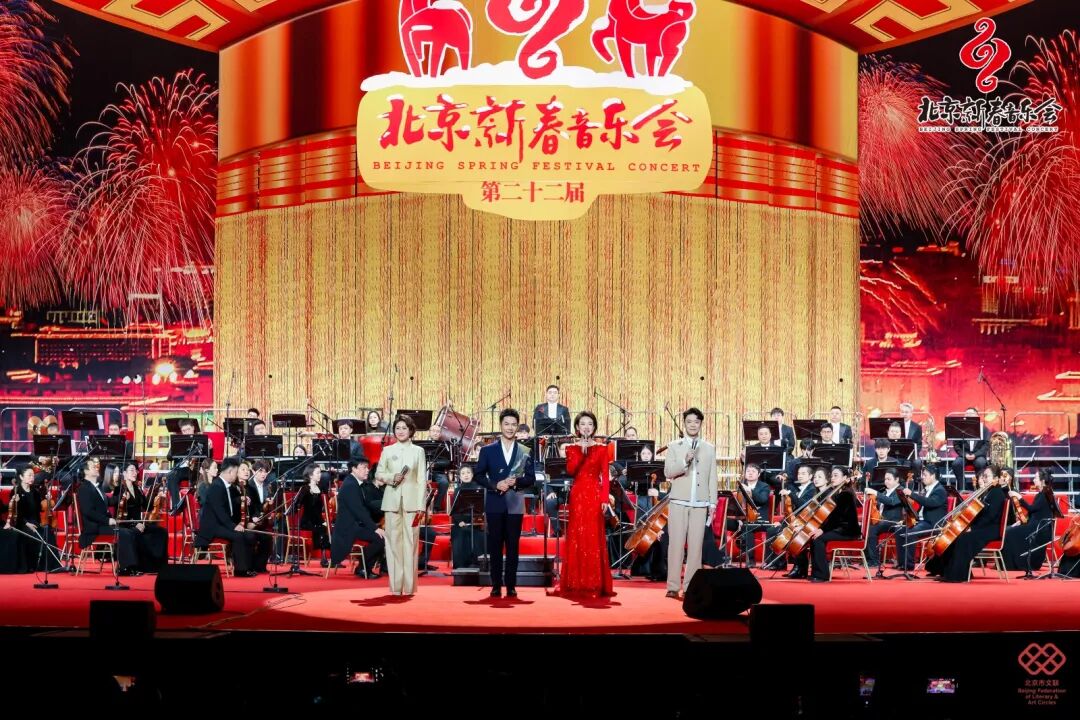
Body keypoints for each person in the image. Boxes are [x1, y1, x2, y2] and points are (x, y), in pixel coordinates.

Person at [474, 408, 536, 598]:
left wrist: (516, 482)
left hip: (515, 504)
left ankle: (511, 585)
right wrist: (495, 485)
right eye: (506, 424)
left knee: (513, 546)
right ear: (500, 425)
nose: (510, 428)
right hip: (494, 503)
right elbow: (478, 475)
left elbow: (531, 478)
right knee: (495, 546)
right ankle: (495, 585)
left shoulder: (524, 451)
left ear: (517, 427)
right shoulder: (487, 450)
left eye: (513, 424)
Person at [557, 410, 615, 598]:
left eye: (590, 424)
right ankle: (575, 582)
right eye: (583, 424)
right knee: (577, 535)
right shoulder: (570, 448)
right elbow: (571, 471)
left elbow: (605, 476)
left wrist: (605, 499)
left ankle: (595, 582)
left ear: (594, 427)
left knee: (593, 536)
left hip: (595, 494)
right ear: (577, 427)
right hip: (578, 494)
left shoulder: (602, 448)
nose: (586, 427)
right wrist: (581, 453)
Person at [662, 408, 717, 599]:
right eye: (689, 422)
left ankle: (690, 587)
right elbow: (668, 472)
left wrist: (712, 502)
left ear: (701, 424)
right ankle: (673, 586)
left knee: (695, 548)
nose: (693, 425)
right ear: (684, 424)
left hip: (700, 503)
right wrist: (684, 461)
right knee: (675, 545)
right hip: (678, 501)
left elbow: (712, 477)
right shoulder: (674, 446)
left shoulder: (709, 448)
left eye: (696, 422)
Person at [375, 415, 427, 596]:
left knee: (411, 543)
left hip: (413, 504)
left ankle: (409, 587)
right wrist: (391, 477)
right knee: (393, 545)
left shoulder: (418, 451)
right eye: (398, 428)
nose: (401, 431)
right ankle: (396, 588)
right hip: (392, 502)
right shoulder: (387, 450)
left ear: (411, 430)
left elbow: (421, 480)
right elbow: (379, 473)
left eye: (404, 428)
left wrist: (421, 505)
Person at [925, 467, 1006, 582]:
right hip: (983, 527)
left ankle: (957, 575)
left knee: (963, 539)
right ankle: (945, 571)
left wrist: (972, 528)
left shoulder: (997, 493)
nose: (983, 479)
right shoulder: (987, 492)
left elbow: (990, 516)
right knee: (956, 536)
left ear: (996, 478)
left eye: (986, 476)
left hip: (990, 529)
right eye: (983, 476)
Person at [77, 458, 141, 575]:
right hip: (94, 528)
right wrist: (107, 520)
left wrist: (122, 497)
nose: (97, 467)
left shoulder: (96, 487)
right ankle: (125, 568)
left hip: (102, 525)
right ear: (86, 471)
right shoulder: (84, 488)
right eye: (93, 466)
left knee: (130, 532)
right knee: (124, 533)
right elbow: (88, 512)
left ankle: (132, 567)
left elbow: (109, 501)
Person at [194, 457, 258, 576]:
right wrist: (233, 526)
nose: (236, 475)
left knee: (249, 535)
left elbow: (229, 504)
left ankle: (250, 567)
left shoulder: (227, 486)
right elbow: (220, 511)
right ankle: (240, 571)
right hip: (213, 526)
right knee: (238, 535)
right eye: (236, 472)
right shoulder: (216, 486)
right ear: (230, 472)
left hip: (222, 524)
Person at [108, 462, 168, 573]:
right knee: (135, 533)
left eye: (136, 470)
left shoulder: (137, 488)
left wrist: (155, 494)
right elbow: (120, 514)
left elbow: (147, 506)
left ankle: (157, 566)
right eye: (131, 470)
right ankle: (139, 566)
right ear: (124, 473)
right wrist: (135, 524)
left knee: (161, 532)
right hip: (126, 525)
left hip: (138, 523)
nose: (135, 473)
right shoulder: (119, 489)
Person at [330, 459, 386, 576]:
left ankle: (364, 567)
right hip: (347, 528)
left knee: (382, 537)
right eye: (364, 467)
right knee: (380, 539)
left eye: (367, 467)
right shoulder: (350, 485)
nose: (367, 470)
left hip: (354, 525)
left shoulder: (353, 482)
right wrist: (375, 528)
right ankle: (363, 567)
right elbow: (359, 511)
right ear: (354, 469)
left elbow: (362, 509)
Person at [804, 466, 859, 582]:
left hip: (847, 531)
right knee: (814, 536)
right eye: (832, 475)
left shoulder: (846, 494)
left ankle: (822, 575)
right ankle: (816, 572)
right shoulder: (836, 492)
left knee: (818, 538)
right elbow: (831, 518)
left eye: (836, 476)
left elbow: (836, 518)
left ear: (844, 478)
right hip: (838, 528)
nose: (832, 478)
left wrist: (822, 530)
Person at [1003, 468, 1061, 571]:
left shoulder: (1045, 494)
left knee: (1010, 533)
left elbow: (1031, 508)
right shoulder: (1041, 494)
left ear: (1042, 481)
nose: (1033, 480)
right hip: (1034, 525)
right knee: (1007, 530)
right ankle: (1008, 563)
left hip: (1040, 528)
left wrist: (1019, 497)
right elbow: (1033, 512)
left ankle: (1015, 564)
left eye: (1036, 478)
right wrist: (1020, 522)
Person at [893, 465, 949, 572]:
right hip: (923, 521)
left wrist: (912, 494)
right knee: (899, 529)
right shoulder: (927, 489)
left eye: (925, 475)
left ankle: (908, 565)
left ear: (933, 476)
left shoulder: (940, 490)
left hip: (933, 524)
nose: (922, 477)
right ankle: (902, 563)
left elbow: (930, 503)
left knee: (911, 532)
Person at [864, 468, 905, 567]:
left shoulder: (901, 490)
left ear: (897, 480)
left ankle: (874, 561)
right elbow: (879, 503)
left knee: (872, 529)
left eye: (889, 479)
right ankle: (867, 558)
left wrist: (876, 493)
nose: (886, 481)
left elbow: (891, 501)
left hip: (894, 521)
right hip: (883, 520)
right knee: (865, 527)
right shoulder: (885, 491)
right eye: (885, 479)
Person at [451, 465, 483, 569]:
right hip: (461, 521)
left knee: (480, 533)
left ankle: (479, 563)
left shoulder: (479, 488)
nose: (466, 475)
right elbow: (454, 510)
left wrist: (478, 520)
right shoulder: (457, 490)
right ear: (460, 476)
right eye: (463, 473)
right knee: (460, 532)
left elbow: (483, 507)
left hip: (476, 520)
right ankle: (461, 565)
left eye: (468, 473)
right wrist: (459, 521)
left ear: (472, 475)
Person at [300, 463, 332, 567]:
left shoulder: (321, 488)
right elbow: (299, 506)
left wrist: (323, 521)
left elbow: (322, 507)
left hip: (318, 519)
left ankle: (334, 557)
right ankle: (324, 558)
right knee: (321, 529)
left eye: (320, 472)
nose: (320, 475)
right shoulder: (305, 489)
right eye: (317, 473)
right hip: (307, 521)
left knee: (329, 528)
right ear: (310, 475)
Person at [951, 407, 988, 491]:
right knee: (956, 464)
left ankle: (979, 488)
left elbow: (986, 445)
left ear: (977, 416)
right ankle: (963, 488)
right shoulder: (960, 429)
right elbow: (956, 445)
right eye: (967, 414)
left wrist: (975, 455)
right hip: (964, 455)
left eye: (971, 414)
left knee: (981, 463)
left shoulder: (983, 428)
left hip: (978, 455)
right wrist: (965, 454)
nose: (968, 416)